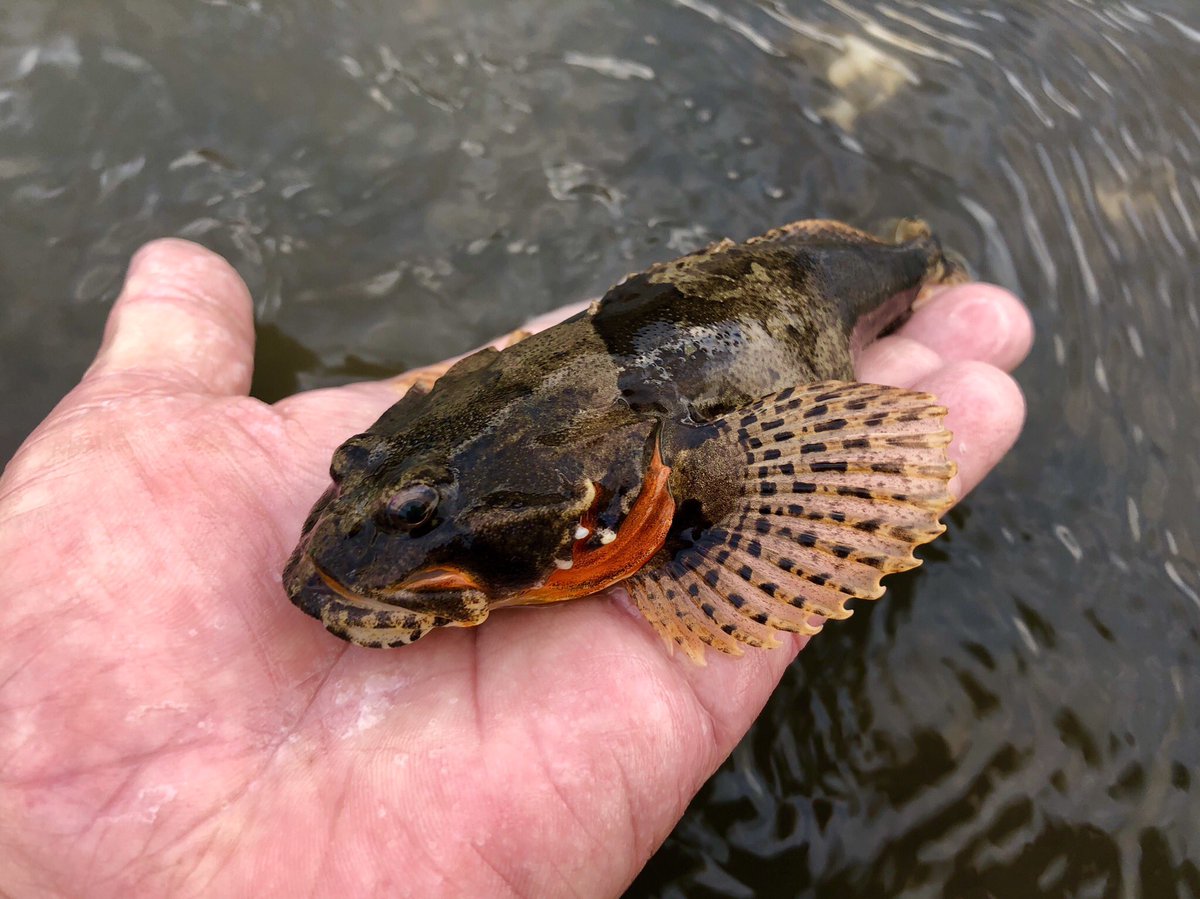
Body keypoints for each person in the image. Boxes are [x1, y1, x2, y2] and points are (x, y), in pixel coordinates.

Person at [0, 239, 1032, 896]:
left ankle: (925, 257)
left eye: (414, 516)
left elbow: (786, 489)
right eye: (365, 486)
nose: (350, 543)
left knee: (935, 314)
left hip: (771, 326)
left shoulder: (661, 466)